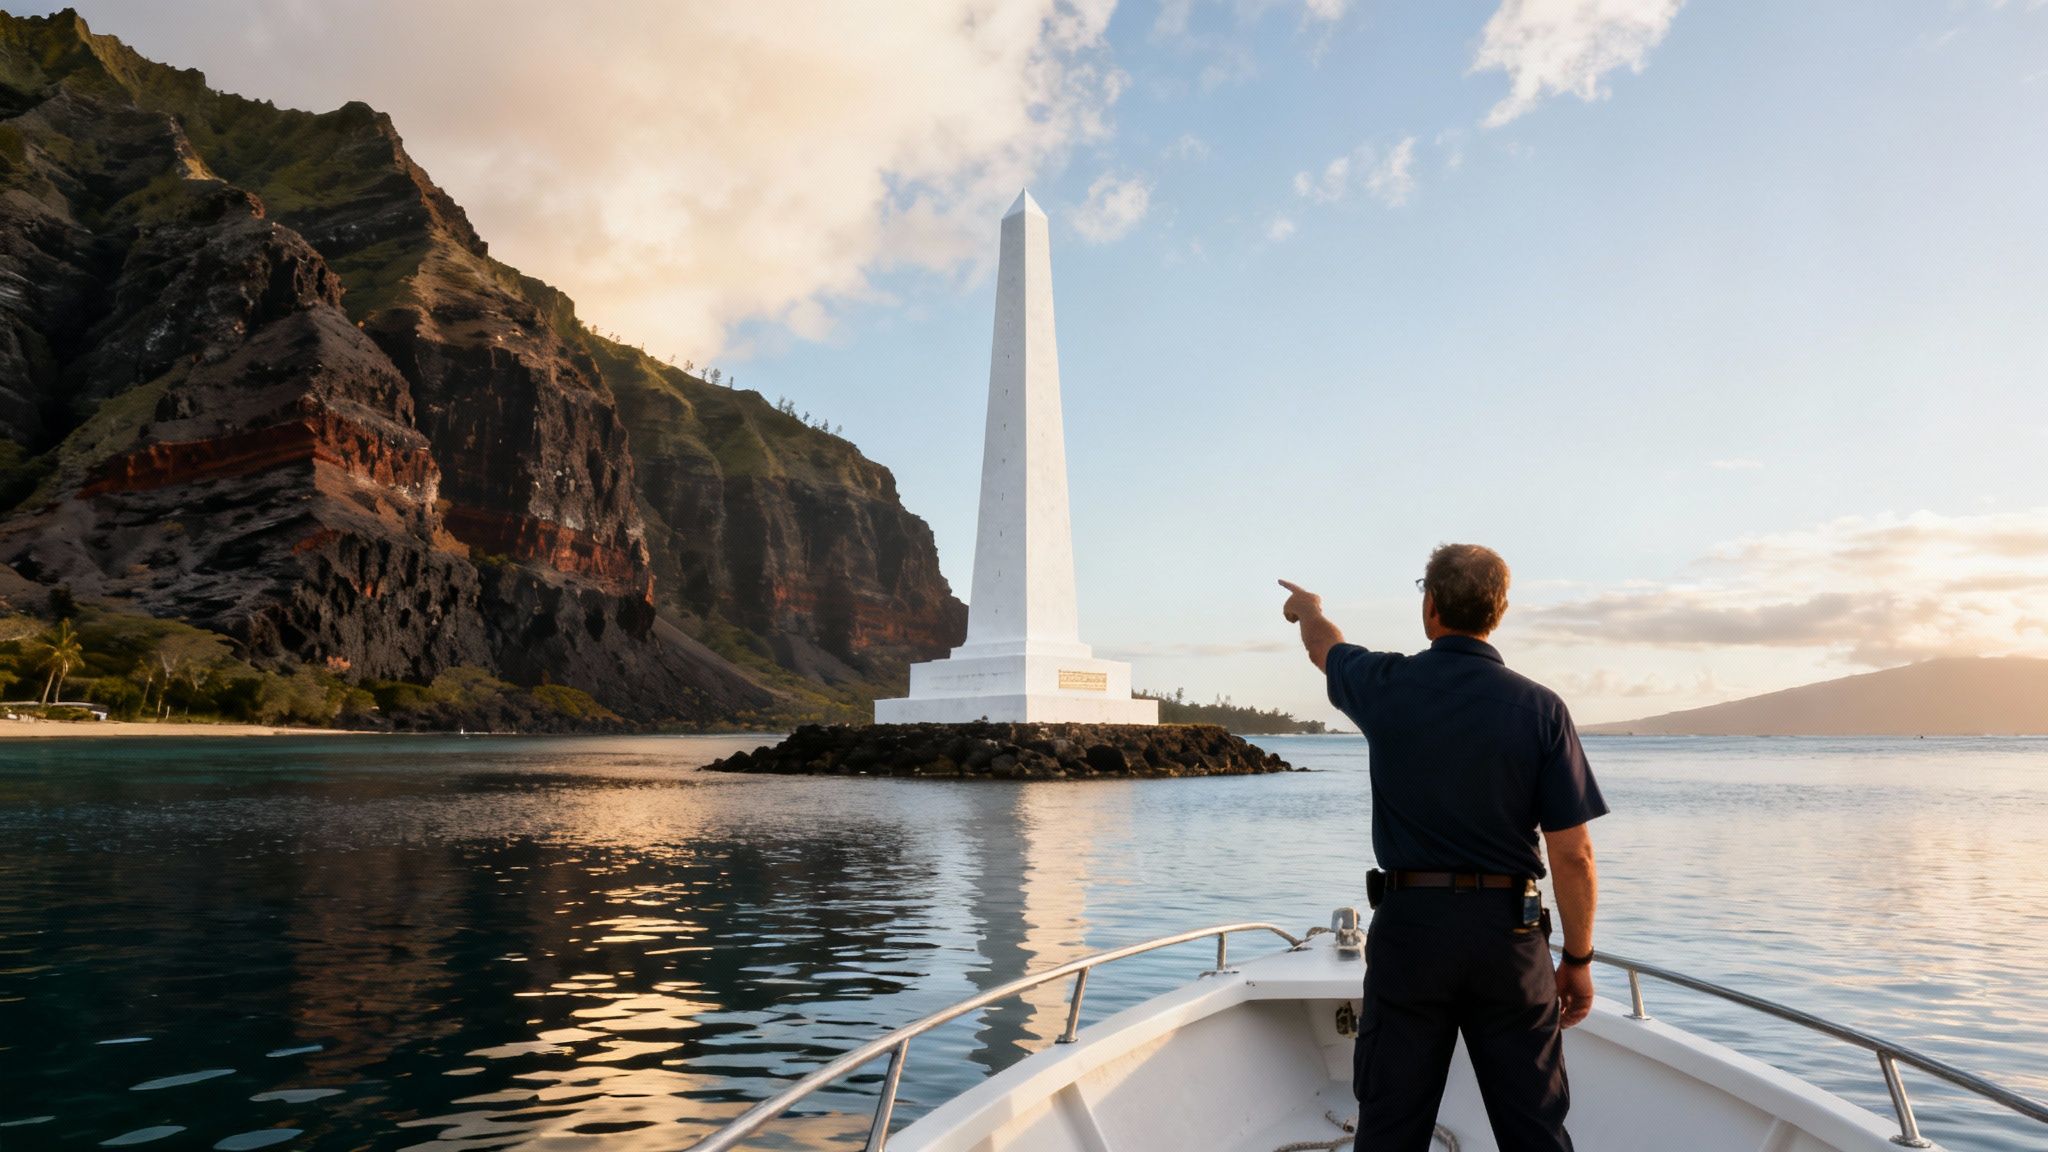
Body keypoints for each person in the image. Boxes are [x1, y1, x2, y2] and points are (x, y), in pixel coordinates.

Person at [1278, 544, 1606, 1152]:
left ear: (1430, 607)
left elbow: (1324, 646)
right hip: (1509, 939)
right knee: (1534, 1129)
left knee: (1391, 1125)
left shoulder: (1385, 684)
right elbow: (1573, 855)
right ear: (1498, 613)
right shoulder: (1541, 709)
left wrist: (1309, 608)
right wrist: (1579, 960)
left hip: (1411, 933)